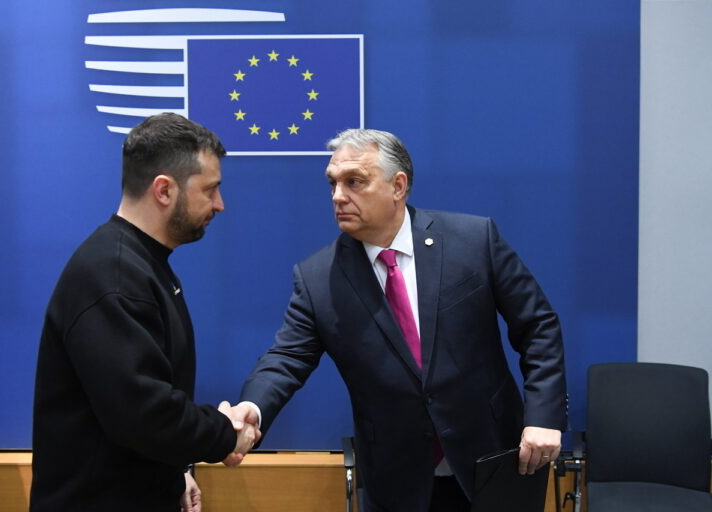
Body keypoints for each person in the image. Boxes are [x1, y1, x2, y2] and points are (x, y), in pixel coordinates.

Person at [232, 129, 567, 511]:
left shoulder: (473, 240)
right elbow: (287, 358)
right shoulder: (318, 278)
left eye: (354, 182)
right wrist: (253, 408)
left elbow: (538, 326)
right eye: (333, 183)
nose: (338, 195)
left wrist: (543, 416)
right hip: (397, 477)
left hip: (492, 457)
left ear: (398, 186)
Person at [30, 113, 259, 512]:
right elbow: (144, 415)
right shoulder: (113, 275)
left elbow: (130, 411)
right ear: (164, 190)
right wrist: (226, 433)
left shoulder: (141, 265)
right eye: (210, 189)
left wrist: (173, 474)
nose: (219, 205)